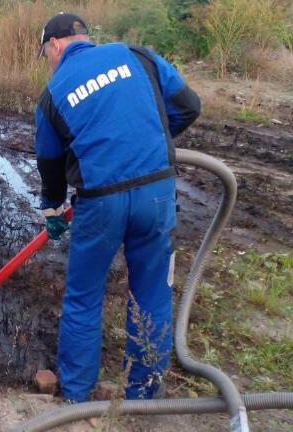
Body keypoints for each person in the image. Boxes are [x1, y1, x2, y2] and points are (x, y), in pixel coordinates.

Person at [34, 12, 201, 402]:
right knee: (152, 294)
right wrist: (146, 145)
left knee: (83, 296)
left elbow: (49, 161)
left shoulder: (53, 93)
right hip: (156, 194)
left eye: (46, 54)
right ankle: (143, 392)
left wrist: (52, 208)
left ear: (55, 44)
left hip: (100, 203)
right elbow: (188, 106)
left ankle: (76, 394)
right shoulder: (140, 56)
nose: (49, 62)